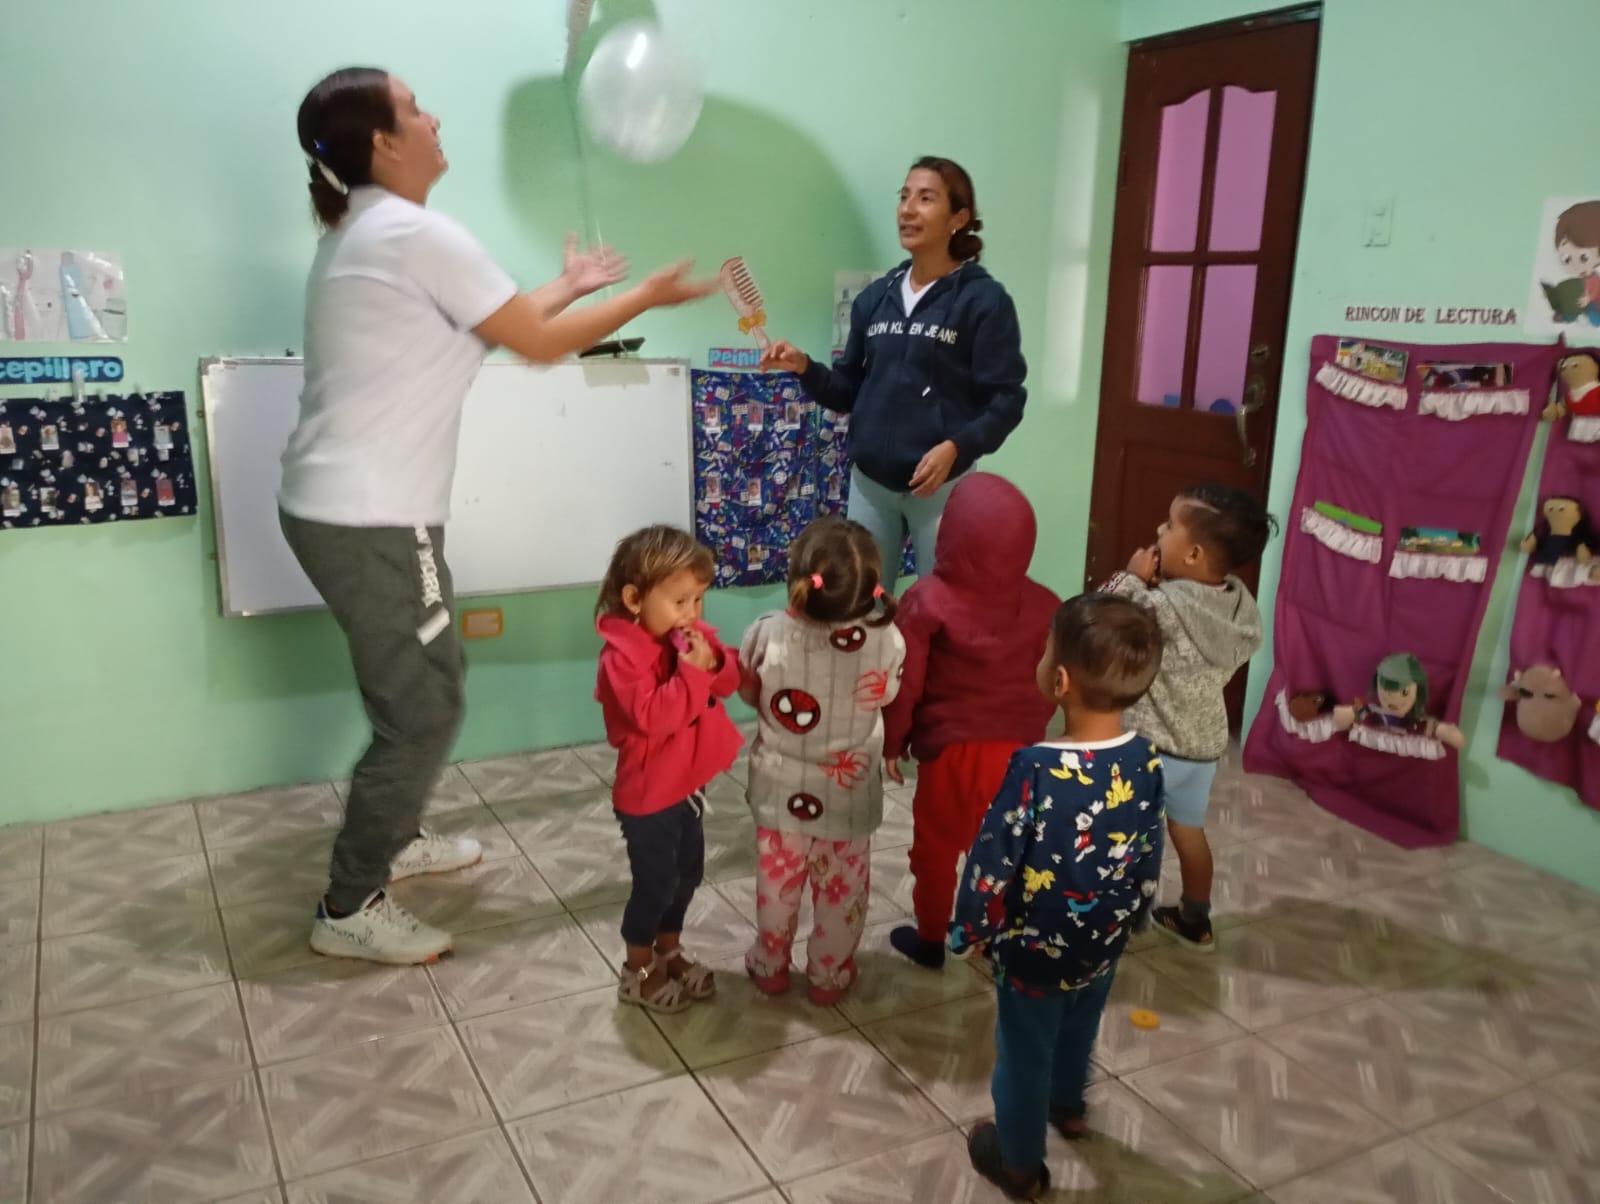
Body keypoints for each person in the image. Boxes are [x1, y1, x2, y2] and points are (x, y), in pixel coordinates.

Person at [280, 67, 716, 965]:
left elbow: (499, 321)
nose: (433, 117)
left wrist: (570, 284)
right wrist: (642, 296)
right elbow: (539, 344)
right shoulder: (411, 232)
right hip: (371, 517)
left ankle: (396, 836)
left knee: (423, 684)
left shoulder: (369, 229)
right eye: (414, 109)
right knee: (424, 711)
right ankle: (349, 904)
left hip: (351, 509)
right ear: (383, 142)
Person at [952, 593, 1165, 1201]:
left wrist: (969, 929)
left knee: (1023, 1054)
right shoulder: (1145, 758)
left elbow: (991, 860)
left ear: (1061, 681)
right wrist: (1139, 911)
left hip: (1035, 952)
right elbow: (1149, 844)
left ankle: (1019, 1164)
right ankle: (1068, 1108)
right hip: (1104, 940)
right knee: (1079, 1026)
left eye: (1046, 651)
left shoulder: (1035, 767)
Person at [759, 157, 1028, 587]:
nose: (907, 209)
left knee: (942, 605)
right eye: (904, 197)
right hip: (871, 488)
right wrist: (804, 367)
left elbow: (1006, 399)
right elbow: (847, 390)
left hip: (941, 489)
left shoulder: (983, 301)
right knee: (862, 602)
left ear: (958, 218)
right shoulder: (876, 298)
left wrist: (956, 447)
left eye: (925, 198)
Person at [879, 473, 1060, 969]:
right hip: (1021, 758)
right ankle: (993, 935)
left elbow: (905, 684)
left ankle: (930, 938)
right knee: (1005, 850)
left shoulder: (926, 600)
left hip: (951, 755)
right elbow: (1053, 681)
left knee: (936, 849)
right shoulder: (1047, 604)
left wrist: (893, 743)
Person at [737, 517, 905, 1005]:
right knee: (842, 891)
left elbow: (749, 691)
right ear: (871, 588)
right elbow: (887, 695)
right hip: (848, 796)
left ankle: (770, 965)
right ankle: (829, 975)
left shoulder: (767, 632)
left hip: (779, 793)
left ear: (799, 579)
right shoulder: (888, 639)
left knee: (777, 886)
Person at [1104, 484, 1273, 952]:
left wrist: (1131, 578)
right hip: (1200, 749)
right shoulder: (1239, 605)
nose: (1159, 530)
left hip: (1149, 747)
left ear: (1194, 553)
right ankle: (1195, 918)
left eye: (1169, 525)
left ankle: (1120, 920)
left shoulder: (1158, 606)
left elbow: (1100, 619)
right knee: (1188, 831)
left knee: (1128, 837)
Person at [595, 526, 743, 1013]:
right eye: (680, 601)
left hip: (687, 788)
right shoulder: (620, 658)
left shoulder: (686, 636)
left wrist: (713, 660)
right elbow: (655, 716)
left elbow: (730, 681)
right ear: (634, 599)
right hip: (648, 797)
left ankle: (669, 951)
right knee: (655, 884)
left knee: (686, 875)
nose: (692, 613)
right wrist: (693, 672)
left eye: (698, 599)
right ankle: (637, 969)